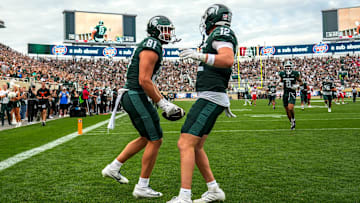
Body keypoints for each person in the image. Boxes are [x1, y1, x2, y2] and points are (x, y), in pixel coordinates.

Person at [101, 15, 182, 199]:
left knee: (146, 137)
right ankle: (142, 186)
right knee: (156, 139)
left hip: (135, 94)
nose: (169, 33)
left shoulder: (153, 44)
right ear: (156, 30)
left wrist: (163, 100)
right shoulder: (152, 45)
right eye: (166, 30)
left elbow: (148, 81)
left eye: (170, 30)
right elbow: (144, 80)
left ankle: (113, 168)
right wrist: (163, 104)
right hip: (136, 94)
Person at [169, 4, 238, 202]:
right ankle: (214, 190)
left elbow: (227, 59)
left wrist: (198, 55)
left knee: (185, 143)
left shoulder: (222, 32)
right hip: (211, 95)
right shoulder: (218, 33)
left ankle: (184, 196)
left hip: (211, 96)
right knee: (196, 146)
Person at [279, 61, 302, 130]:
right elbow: (281, 80)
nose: (288, 68)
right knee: (286, 110)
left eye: (289, 67)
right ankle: (292, 121)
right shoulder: (282, 74)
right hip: (285, 92)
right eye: (286, 67)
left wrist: (297, 85)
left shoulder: (295, 73)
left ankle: (293, 118)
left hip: (292, 92)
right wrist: (280, 84)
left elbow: (301, 81)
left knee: (290, 108)